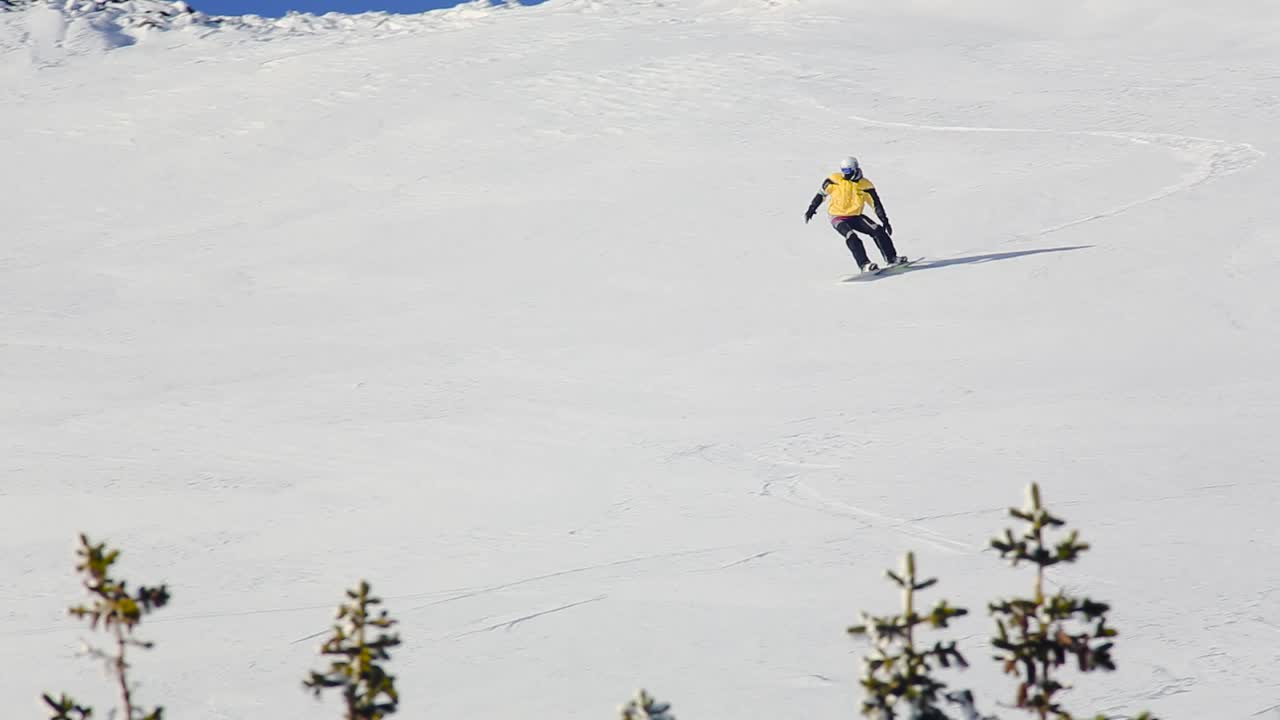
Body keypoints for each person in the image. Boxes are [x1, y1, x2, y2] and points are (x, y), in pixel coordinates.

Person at [803, 156, 906, 272]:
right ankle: (864, 265)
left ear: (855, 169)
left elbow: (875, 203)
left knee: (878, 230)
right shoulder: (834, 180)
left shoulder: (865, 185)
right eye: (843, 170)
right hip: (837, 217)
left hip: (855, 216)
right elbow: (821, 194)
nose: (844, 174)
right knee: (851, 237)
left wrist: (884, 220)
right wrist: (811, 209)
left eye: (847, 171)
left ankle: (891, 258)